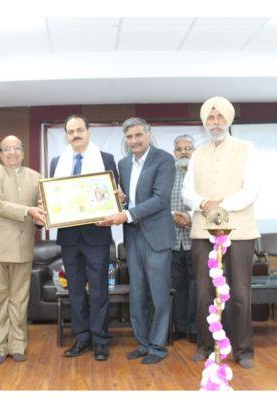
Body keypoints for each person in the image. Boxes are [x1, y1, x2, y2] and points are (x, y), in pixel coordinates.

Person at [182, 96, 260, 369]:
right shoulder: (197, 154)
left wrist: (221, 205)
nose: (215, 122)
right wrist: (203, 203)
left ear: (229, 119)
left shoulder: (246, 148)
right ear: (205, 123)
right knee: (204, 292)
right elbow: (187, 191)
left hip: (239, 229)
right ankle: (205, 346)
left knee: (240, 292)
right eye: (210, 118)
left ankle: (243, 350)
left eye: (219, 117)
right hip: (203, 229)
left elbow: (251, 190)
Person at [98, 117, 176, 364]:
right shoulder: (124, 164)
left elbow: (160, 199)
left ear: (149, 135)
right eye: (129, 137)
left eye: (138, 135)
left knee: (159, 296)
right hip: (132, 236)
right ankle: (143, 343)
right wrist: (121, 202)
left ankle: (158, 347)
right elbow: (130, 200)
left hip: (157, 237)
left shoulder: (164, 160)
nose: (134, 140)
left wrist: (126, 214)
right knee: (137, 294)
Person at [50, 114, 118, 361]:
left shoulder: (106, 159)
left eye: (80, 130)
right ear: (66, 135)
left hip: (96, 234)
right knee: (75, 290)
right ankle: (81, 338)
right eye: (71, 131)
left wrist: (117, 200)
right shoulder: (56, 162)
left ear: (88, 132)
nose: (75, 135)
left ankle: (100, 340)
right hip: (68, 236)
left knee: (99, 290)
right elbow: (53, 196)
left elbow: (115, 196)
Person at [0, 135, 46, 365]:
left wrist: (41, 218)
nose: (12, 153)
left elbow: (42, 209)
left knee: (19, 298)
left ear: (23, 152)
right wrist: (29, 211)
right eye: (6, 149)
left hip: (23, 245)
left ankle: (17, 344)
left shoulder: (36, 176)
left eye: (16, 148)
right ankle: (1, 344)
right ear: (0, 154)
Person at [170, 135, 197, 343]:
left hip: (196, 238)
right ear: (174, 153)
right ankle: (180, 327)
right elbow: (160, 202)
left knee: (197, 286)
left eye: (188, 148)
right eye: (179, 149)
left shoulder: (200, 174)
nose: (184, 152)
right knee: (177, 286)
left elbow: (209, 203)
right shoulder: (167, 174)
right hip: (172, 240)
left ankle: (195, 329)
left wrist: (189, 218)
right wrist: (175, 217)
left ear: (194, 151)